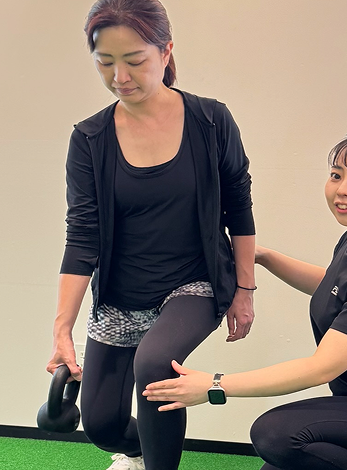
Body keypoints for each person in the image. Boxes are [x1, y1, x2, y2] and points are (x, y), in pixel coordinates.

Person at [144, 127, 347, 470]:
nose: (343, 190)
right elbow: (336, 286)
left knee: (275, 435)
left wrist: (215, 386)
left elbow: (322, 367)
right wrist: (263, 257)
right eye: (336, 175)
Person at [46, 1, 256, 469]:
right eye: (105, 62)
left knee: (155, 364)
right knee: (101, 424)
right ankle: (140, 455)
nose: (119, 76)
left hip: (194, 283)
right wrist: (62, 329)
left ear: (165, 52)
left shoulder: (210, 121)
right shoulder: (90, 139)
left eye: (134, 60)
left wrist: (244, 290)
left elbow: (239, 209)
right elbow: (81, 237)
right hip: (121, 294)